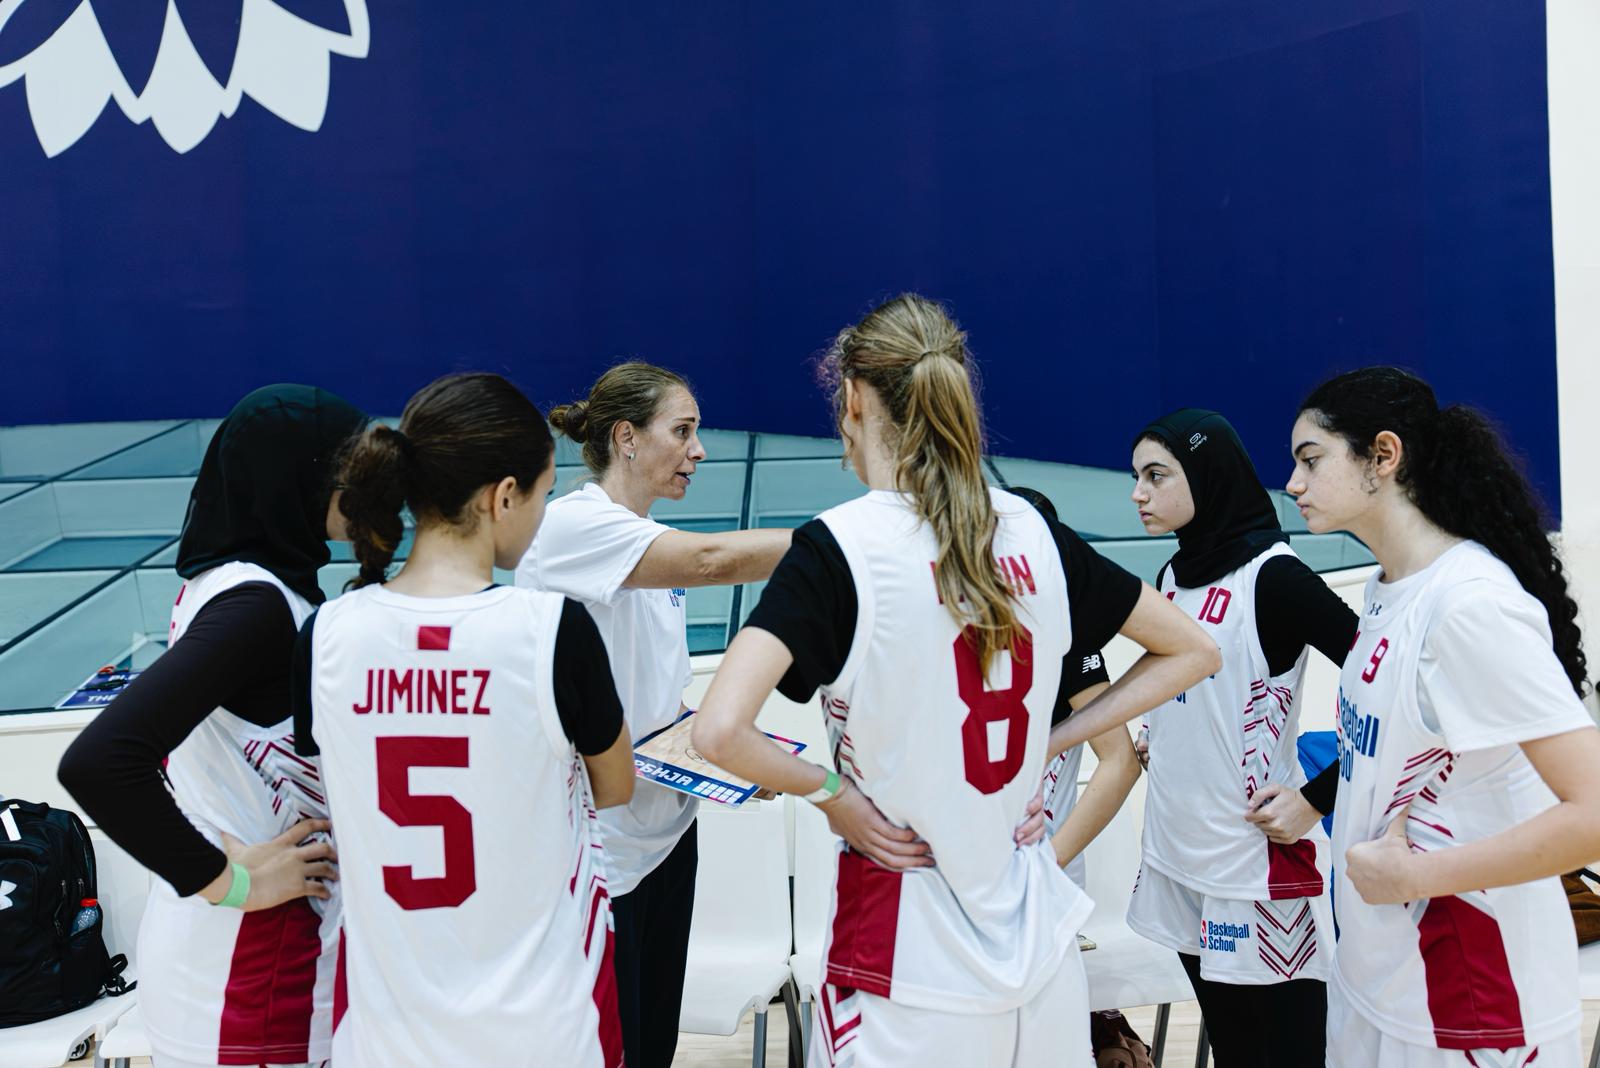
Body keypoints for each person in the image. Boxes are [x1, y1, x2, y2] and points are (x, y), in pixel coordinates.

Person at [691, 294, 1218, 1067]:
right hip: (1035, 944)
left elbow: (718, 730)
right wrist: (1054, 740)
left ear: (854, 399)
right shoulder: (1035, 531)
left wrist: (833, 797)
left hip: (903, 951)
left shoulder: (838, 548)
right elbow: (1194, 650)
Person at [293, 372, 634, 1067]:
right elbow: (616, 785)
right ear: (502, 496)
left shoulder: (325, 635)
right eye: (542, 495)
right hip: (543, 1029)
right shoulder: (551, 630)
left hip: (387, 1035)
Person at [1290, 367, 1600, 1068]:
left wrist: (1412, 880)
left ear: (1383, 455)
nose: (1294, 483)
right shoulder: (1389, 590)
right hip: (1378, 975)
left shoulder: (1470, 606)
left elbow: (1592, 813)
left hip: (1471, 1006)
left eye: (1311, 460)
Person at [58, 384, 365, 1068]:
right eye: (349, 472)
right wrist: (230, 881)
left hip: (246, 964)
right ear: (296, 480)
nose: (365, 490)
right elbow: (100, 761)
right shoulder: (255, 606)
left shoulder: (231, 583)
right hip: (253, 977)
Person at [516, 361, 793, 1068]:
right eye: (683, 430)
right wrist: (842, 548)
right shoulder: (575, 527)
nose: (698, 450)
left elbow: (658, 707)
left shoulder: (645, 543)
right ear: (627, 438)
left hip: (666, 835)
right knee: (613, 1047)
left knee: (653, 1046)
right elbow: (710, 559)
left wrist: (730, 759)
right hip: (602, 850)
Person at [1119, 409, 1358, 1067]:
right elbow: (1190, 686)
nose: (1138, 493)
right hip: (1176, 853)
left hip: (1253, 864)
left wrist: (1318, 796)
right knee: (1234, 1049)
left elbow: (1390, 689)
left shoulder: (1275, 577)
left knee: (1289, 1054)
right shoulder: (1173, 575)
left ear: (1207, 476)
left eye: (1156, 476)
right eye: (1136, 476)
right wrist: (1161, 731)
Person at [1007, 487, 1141, 889]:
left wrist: (1051, 859)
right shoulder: (955, 629)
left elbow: (1121, 761)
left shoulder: (1067, 639)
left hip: (1037, 876)